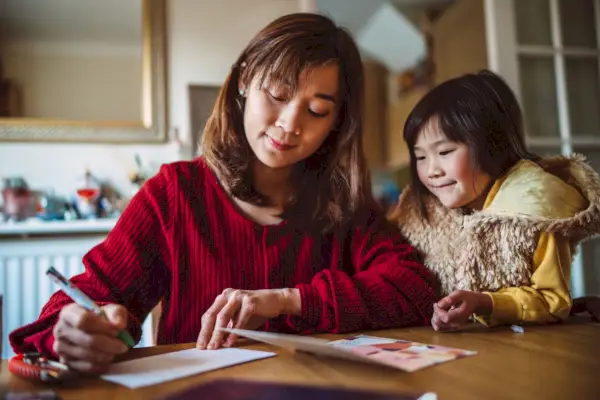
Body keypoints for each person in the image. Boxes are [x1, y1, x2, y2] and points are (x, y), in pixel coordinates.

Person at [9, 13, 438, 374]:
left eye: (316, 110)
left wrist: (290, 299)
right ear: (245, 79)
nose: (290, 124)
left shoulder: (343, 204)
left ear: (337, 123)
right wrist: (72, 329)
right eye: (278, 94)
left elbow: (414, 289)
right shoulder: (175, 194)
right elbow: (80, 299)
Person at [389, 70, 600, 332]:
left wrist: (486, 303)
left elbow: (552, 300)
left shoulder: (534, 209)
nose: (432, 170)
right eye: (420, 157)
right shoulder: (420, 212)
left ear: (490, 144)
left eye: (444, 152)